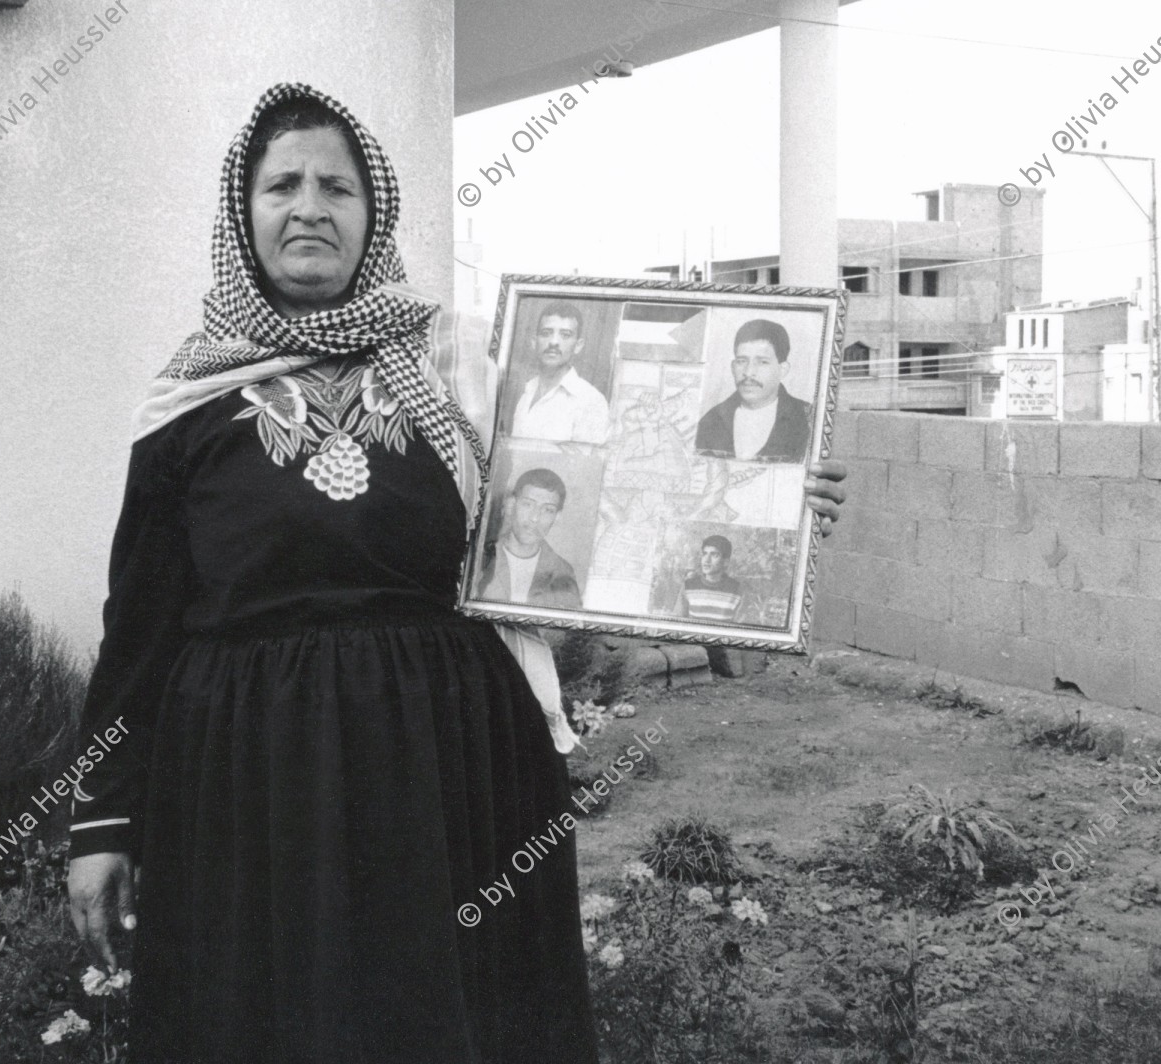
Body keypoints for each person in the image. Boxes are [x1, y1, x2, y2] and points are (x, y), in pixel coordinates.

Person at [65, 83, 847, 1063]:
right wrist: (101, 821)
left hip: (451, 772)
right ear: (242, 213)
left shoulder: (465, 370)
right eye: (283, 185)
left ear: (373, 213)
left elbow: (624, 512)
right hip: (250, 789)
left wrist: (773, 504)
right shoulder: (187, 403)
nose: (310, 205)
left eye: (337, 188)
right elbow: (137, 631)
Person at [694, 318, 813, 462]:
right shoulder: (710, 421)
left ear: (783, 370)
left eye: (762, 362)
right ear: (733, 367)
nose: (749, 372)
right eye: (742, 361)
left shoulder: (809, 419)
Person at [475, 467, 582, 608]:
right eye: (528, 504)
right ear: (511, 504)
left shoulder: (562, 572)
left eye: (548, 510)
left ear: (557, 517)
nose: (535, 518)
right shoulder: (481, 558)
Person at [509, 302, 610, 443]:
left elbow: (586, 464)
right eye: (546, 333)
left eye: (565, 335)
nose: (554, 342)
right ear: (534, 342)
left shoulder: (590, 401)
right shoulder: (527, 391)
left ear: (578, 346)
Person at [672, 534, 743, 622]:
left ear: (726, 562)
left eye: (714, 555)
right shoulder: (688, 586)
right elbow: (676, 623)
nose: (706, 560)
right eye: (704, 554)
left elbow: (742, 631)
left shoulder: (737, 590)